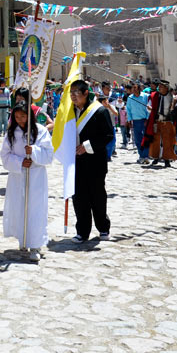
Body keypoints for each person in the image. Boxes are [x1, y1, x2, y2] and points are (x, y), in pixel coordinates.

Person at [0, 100, 54, 261]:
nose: (20, 120)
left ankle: (36, 244)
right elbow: (5, 155)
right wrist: (19, 162)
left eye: (23, 116)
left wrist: (34, 152)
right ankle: (23, 238)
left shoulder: (41, 131)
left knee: (36, 209)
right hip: (18, 177)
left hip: (36, 176)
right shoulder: (11, 133)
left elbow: (49, 155)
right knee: (20, 208)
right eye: (16, 117)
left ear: (29, 116)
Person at [69, 80, 114, 243]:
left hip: (95, 161)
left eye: (76, 92)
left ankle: (103, 228)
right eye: (71, 92)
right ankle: (82, 231)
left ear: (86, 93)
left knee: (97, 195)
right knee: (79, 197)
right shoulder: (69, 113)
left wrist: (87, 146)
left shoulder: (99, 111)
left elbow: (108, 135)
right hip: (75, 161)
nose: (73, 96)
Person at [145, 80, 177, 168]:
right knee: (155, 141)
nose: (160, 88)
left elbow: (174, 110)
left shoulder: (172, 97)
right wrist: (149, 108)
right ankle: (155, 158)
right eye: (159, 87)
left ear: (166, 88)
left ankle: (167, 160)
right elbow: (149, 107)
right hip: (157, 121)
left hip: (167, 122)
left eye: (162, 87)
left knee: (167, 141)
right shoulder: (154, 96)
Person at [126, 83, 151, 165]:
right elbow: (128, 109)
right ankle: (141, 156)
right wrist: (129, 120)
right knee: (138, 140)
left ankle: (146, 156)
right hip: (136, 121)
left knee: (146, 139)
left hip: (144, 120)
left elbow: (148, 107)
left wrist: (147, 119)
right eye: (133, 88)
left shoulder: (146, 96)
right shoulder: (130, 98)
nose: (134, 89)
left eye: (135, 87)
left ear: (139, 88)